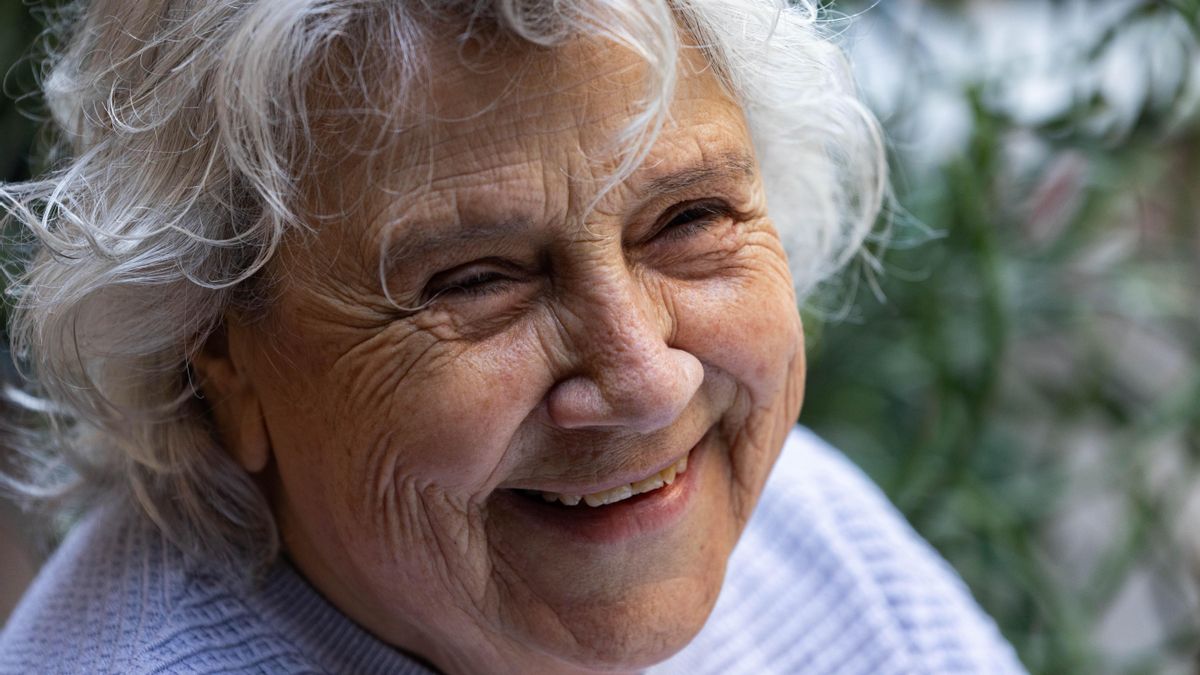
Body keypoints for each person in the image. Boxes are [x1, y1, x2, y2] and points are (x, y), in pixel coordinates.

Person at [0, 1, 1025, 673]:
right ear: (216, 356)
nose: (644, 383)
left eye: (689, 220)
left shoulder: (806, 532)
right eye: (476, 281)